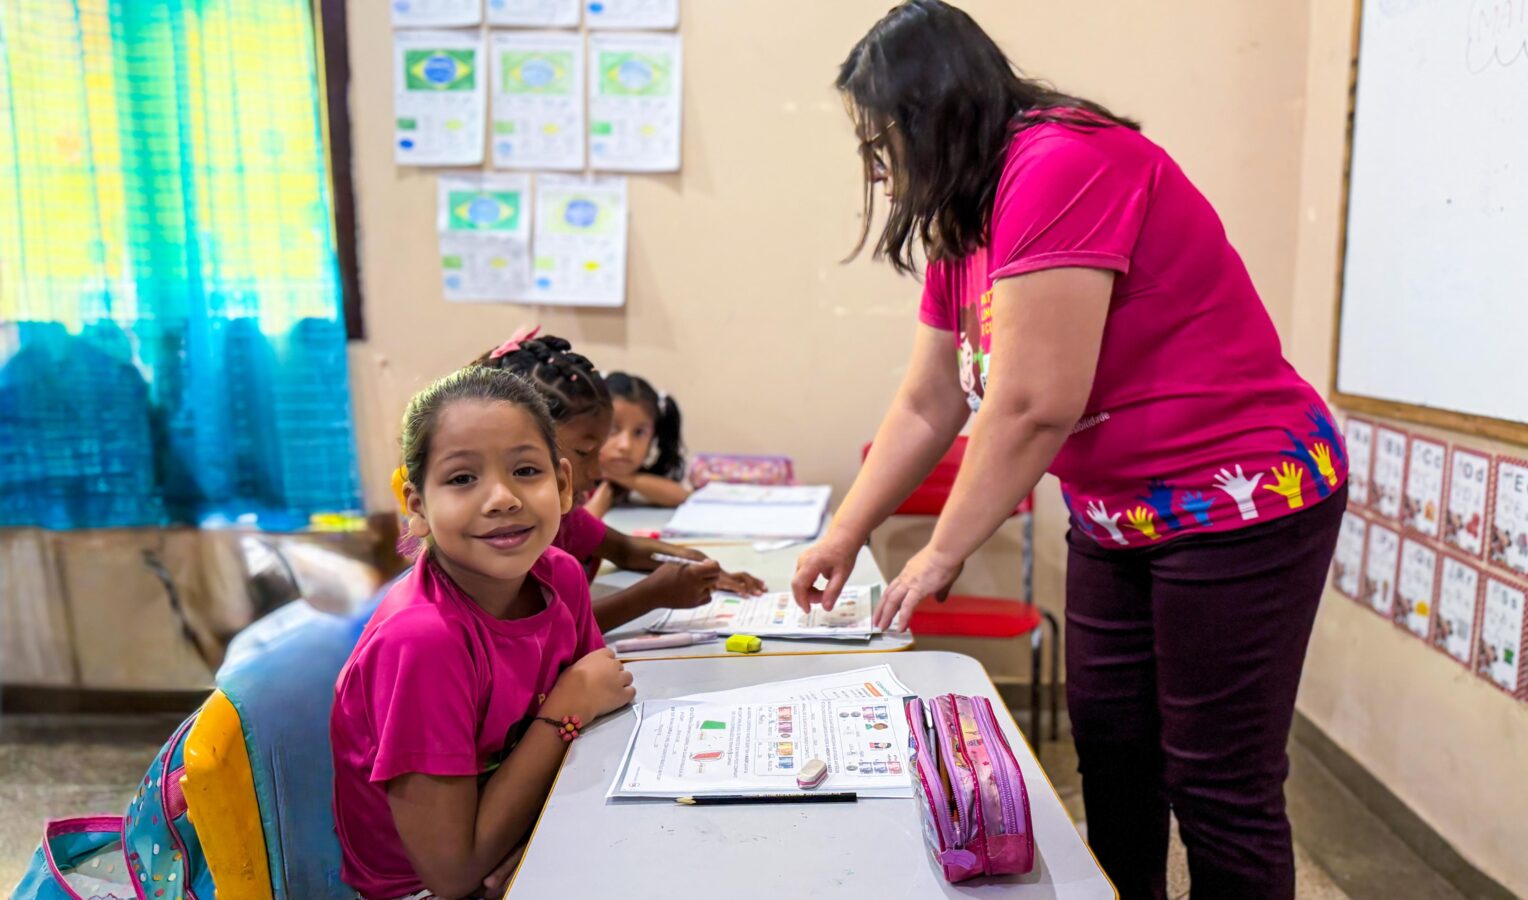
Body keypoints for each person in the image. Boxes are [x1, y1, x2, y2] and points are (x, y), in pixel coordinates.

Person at [791, 3, 1348, 897]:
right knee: (1115, 762)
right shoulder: (967, 212)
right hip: (1116, 514)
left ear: (933, 116)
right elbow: (931, 398)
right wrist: (845, 532)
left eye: (883, 142)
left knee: (1217, 782)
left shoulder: (1061, 163)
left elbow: (1032, 403)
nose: (881, 172)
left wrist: (940, 553)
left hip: (1239, 496)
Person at [330, 367, 634, 900]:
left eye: (526, 470)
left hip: (532, 830)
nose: (501, 498)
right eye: (462, 479)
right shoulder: (423, 642)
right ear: (417, 507)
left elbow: (602, 709)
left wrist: (537, 832)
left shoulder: (559, 575)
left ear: (563, 485)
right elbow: (451, 876)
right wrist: (565, 709)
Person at [476, 331, 762, 631]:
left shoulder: (563, 518)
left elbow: (624, 548)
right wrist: (652, 595)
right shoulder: (502, 536)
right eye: (584, 453)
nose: (597, 471)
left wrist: (695, 563)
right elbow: (546, 631)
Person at [584, 371, 691, 517]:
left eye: (639, 433)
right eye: (612, 429)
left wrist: (619, 477)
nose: (625, 445)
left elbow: (681, 496)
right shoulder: (574, 479)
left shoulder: (627, 477)